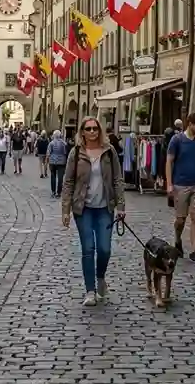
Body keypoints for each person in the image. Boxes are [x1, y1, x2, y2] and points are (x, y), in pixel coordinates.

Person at [60, 117, 126, 307]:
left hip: (105, 207)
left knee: (105, 249)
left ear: (99, 130)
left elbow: (117, 180)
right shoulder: (76, 152)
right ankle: (90, 290)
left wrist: (120, 206)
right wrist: (65, 210)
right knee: (88, 249)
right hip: (83, 208)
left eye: (95, 128)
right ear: (82, 132)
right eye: (88, 129)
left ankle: (100, 277)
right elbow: (68, 182)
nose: (92, 132)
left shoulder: (109, 151)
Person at [166, 113, 195, 263]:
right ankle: (178, 239)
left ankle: (193, 250)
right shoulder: (177, 140)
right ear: (190, 124)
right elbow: (169, 161)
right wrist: (169, 183)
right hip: (180, 184)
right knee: (180, 219)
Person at [47, 130, 69, 198]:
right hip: (61, 162)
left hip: (53, 162)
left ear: (54, 135)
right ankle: (59, 192)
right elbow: (65, 153)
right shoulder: (64, 143)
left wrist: (47, 161)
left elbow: (48, 153)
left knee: (53, 176)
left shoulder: (51, 143)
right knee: (60, 177)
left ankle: (53, 191)